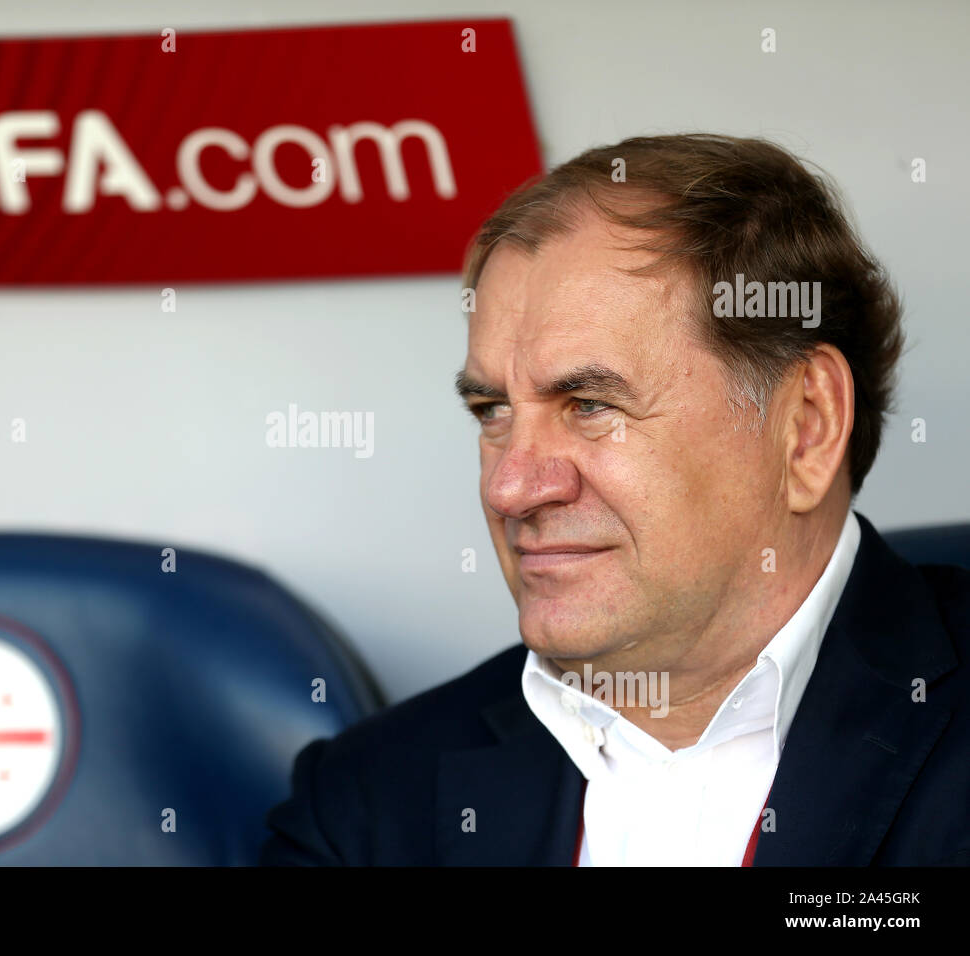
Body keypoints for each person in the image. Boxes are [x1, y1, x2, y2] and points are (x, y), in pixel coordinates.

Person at [259, 133, 970, 866]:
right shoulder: (363, 801)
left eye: (591, 405)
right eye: (492, 411)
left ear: (805, 428)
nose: (510, 488)